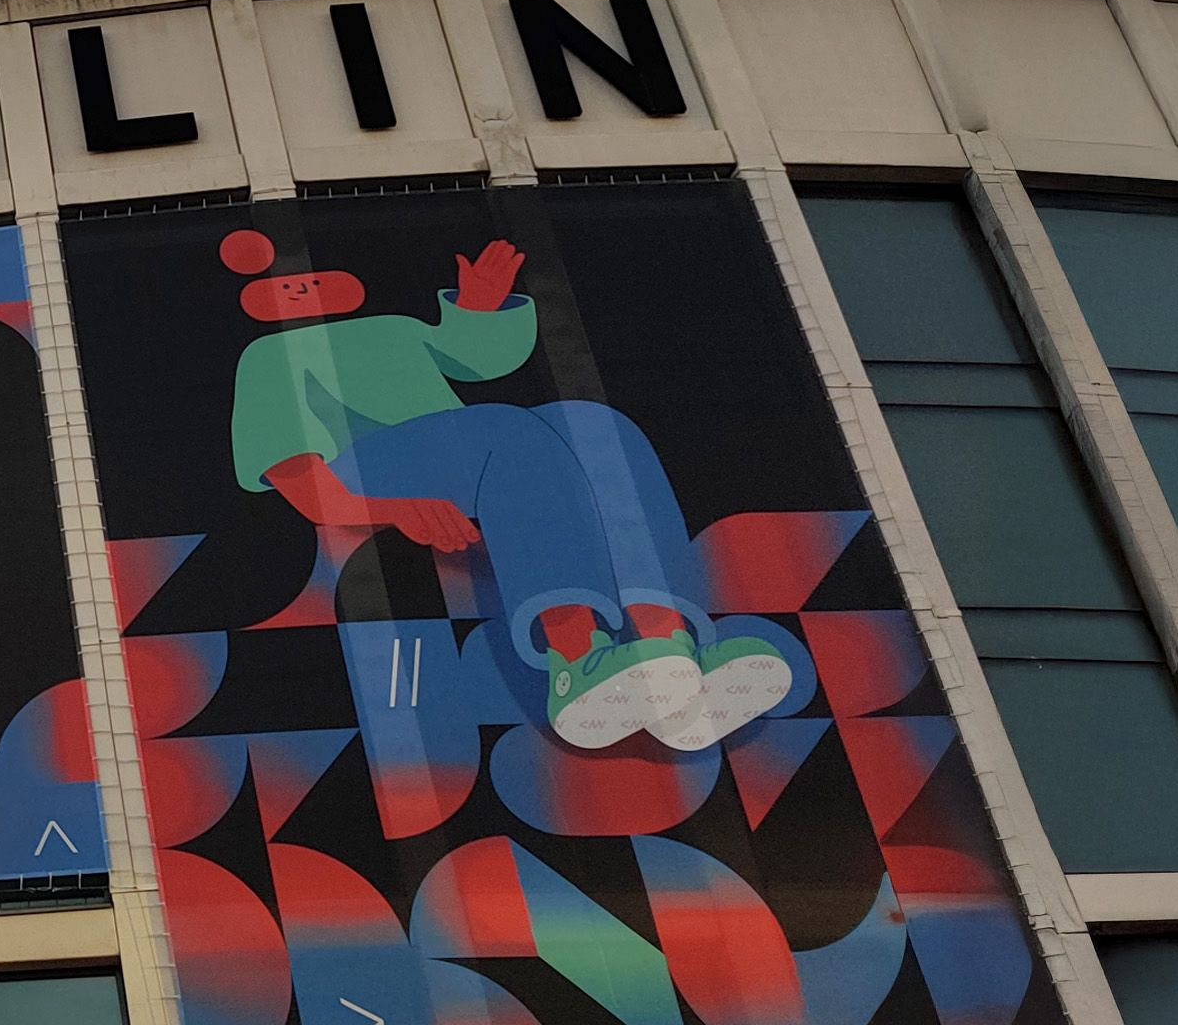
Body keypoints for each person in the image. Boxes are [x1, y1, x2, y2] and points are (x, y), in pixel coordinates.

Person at [218, 228, 784, 751]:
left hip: (463, 451)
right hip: (368, 465)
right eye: (281, 281)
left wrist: (478, 308)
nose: (301, 287)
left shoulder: (394, 330)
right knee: (502, 427)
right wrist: (387, 508)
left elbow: (477, 360)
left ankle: (666, 646)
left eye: (314, 277)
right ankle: (575, 658)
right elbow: (291, 466)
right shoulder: (267, 356)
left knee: (591, 424)